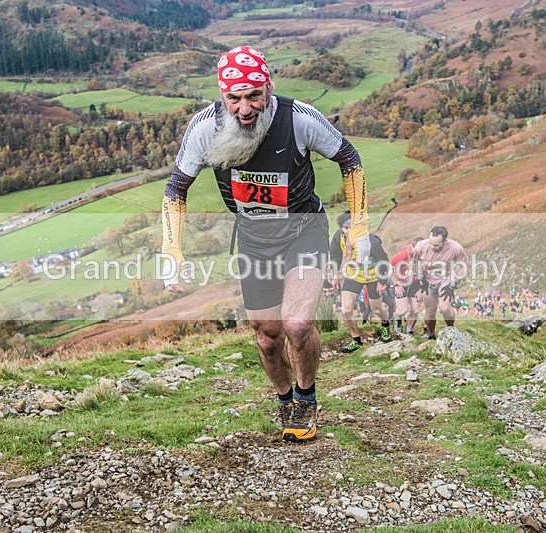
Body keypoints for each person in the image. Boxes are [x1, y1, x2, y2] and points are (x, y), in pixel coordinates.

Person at [160, 46, 371, 442]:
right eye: (234, 98)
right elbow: (176, 188)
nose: (244, 109)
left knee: (297, 323)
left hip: (302, 229)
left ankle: (306, 398)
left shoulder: (299, 118)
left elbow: (350, 158)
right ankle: (285, 398)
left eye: (254, 95)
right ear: (222, 95)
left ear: (269, 87)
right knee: (267, 334)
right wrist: (173, 250)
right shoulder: (204, 127)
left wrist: (357, 226)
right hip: (254, 240)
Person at [329, 214, 391, 352]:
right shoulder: (338, 237)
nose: (349, 230)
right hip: (354, 275)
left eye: (352, 227)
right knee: (346, 310)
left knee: (376, 309)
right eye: (346, 228)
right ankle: (356, 340)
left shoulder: (371, 241)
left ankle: (386, 326)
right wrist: (334, 276)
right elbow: (335, 256)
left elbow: (384, 261)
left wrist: (382, 282)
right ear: (342, 229)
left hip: (373, 276)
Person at [410, 226, 468, 339]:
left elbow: (464, 266)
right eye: (431, 243)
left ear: (444, 241)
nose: (432, 247)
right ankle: (431, 335)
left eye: (436, 245)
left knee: (444, 308)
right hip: (427, 280)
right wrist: (420, 278)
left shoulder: (455, 248)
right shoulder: (421, 246)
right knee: (430, 311)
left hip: (445, 279)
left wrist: (454, 280)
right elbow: (413, 262)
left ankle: (451, 331)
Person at [390, 236, 424, 335]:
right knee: (403, 309)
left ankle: (409, 330)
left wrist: (422, 289)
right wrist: (397, 284)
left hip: (416, 282)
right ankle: (397, 316)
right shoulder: (402, 255)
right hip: (401, 281)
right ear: (412, 247)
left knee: (415, 310)